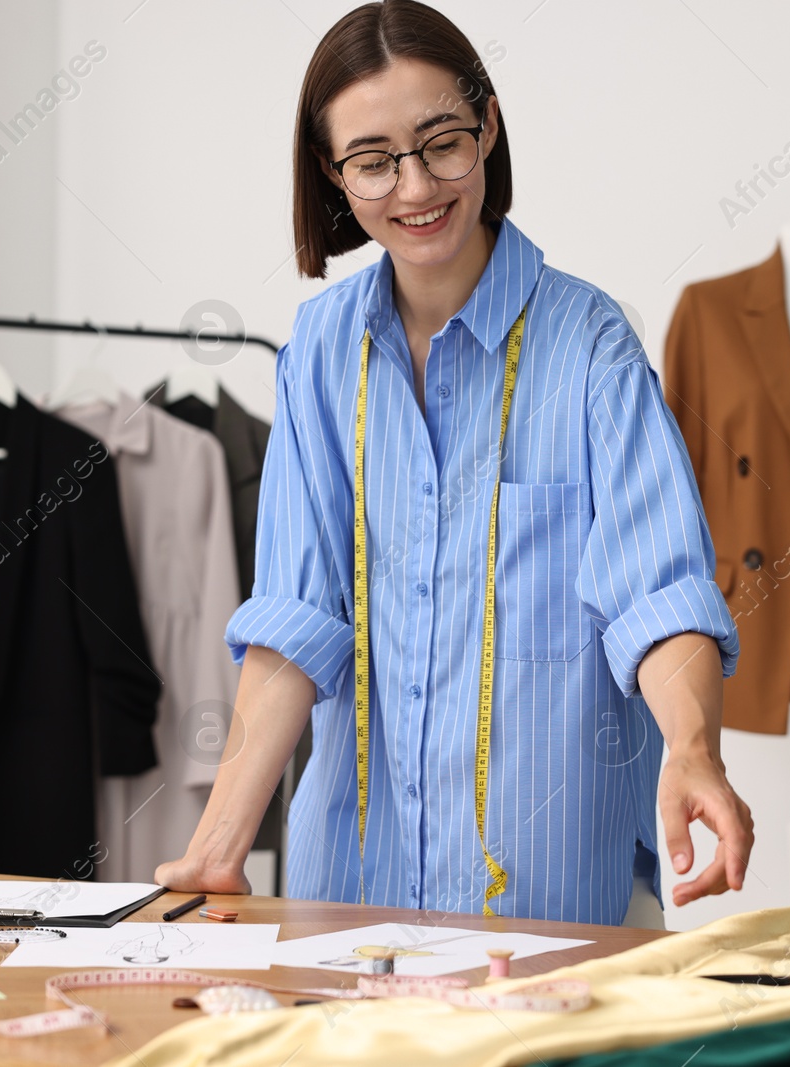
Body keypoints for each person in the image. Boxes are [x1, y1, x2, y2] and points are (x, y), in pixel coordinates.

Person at [155, 0, 752, 928]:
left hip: (555, 898)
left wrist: (694, 747)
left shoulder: (591, 343)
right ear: (332, 172)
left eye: (442, 143)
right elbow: (297, 620)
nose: (414, 185)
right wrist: (219, 842)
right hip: (349, 896)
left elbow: (656, 588)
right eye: (373, 159)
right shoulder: (318, 350)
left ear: (490, 126)